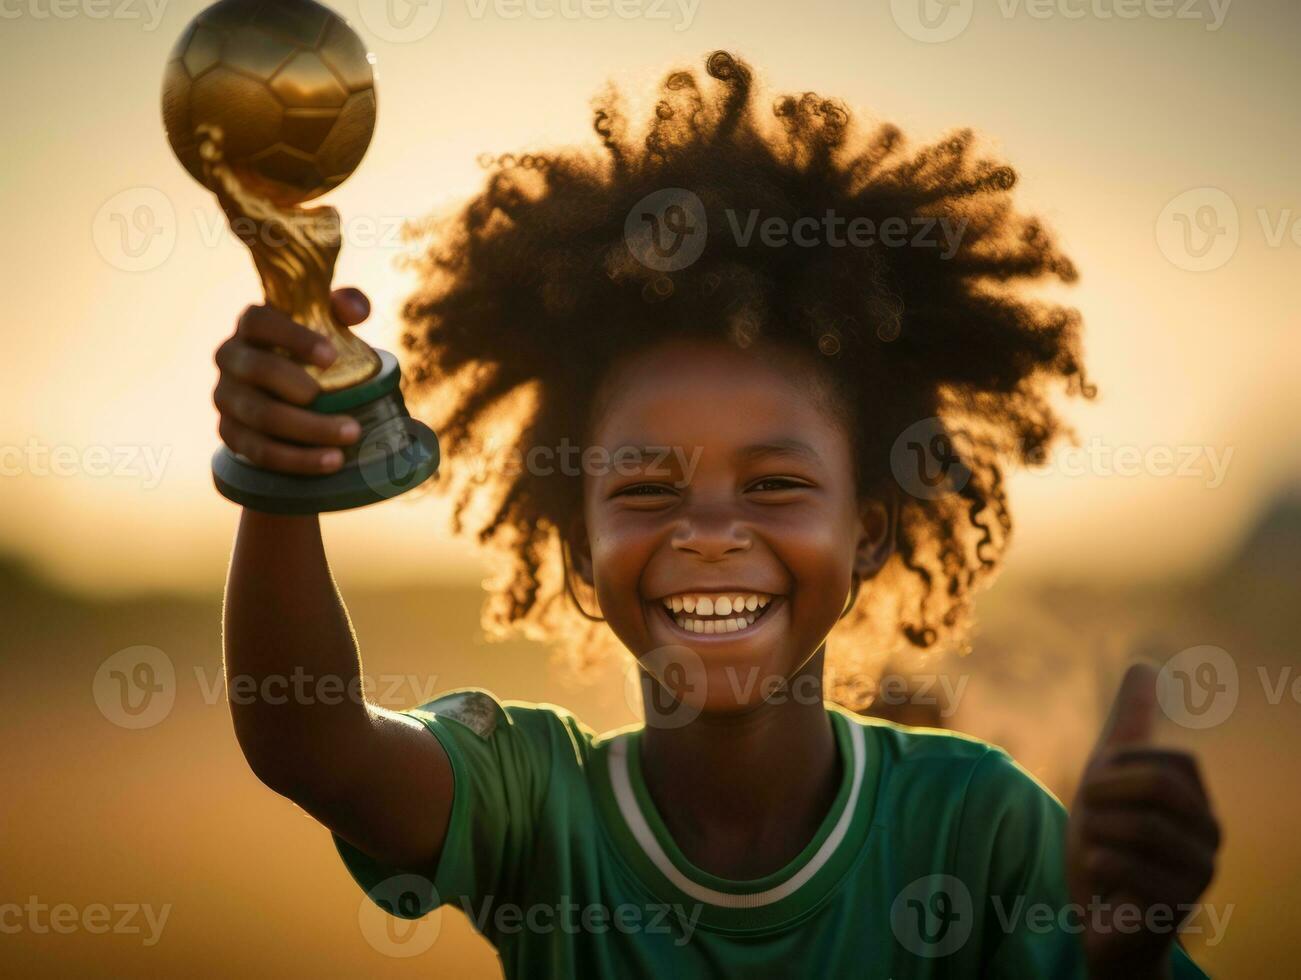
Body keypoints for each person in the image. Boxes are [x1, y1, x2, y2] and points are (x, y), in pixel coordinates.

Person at [214, 51, 1220, 978]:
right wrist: (278, 473)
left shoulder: (976, 822)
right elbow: (314, 744)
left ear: (867, 530)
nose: (707, 529)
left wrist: (1114, 959)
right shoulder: (536, 805)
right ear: (575, 550)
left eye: (774, 485)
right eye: (646, 490)